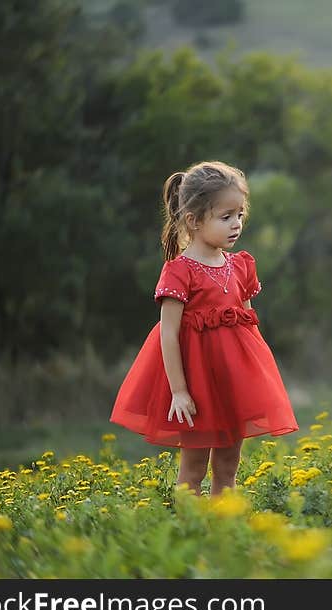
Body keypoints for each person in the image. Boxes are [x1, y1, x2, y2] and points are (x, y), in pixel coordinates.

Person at [110, 161, 299, 496]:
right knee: (193, 470)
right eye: (225, 217)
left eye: (240, 215)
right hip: (197, 388)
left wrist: (255, 380)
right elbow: (168, 335)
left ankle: (222, 532)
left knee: (228, 467)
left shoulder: (240, 265)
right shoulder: (180, 271)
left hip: (232, 384)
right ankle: (193, 531)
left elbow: (248, 325)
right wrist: (180, 391)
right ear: (194, 221)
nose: (236, 224)